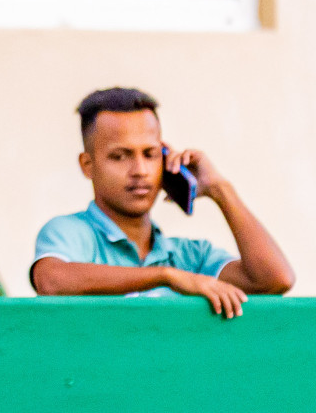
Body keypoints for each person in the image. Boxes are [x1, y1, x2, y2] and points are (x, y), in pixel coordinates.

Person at [31, 87, 293, 316]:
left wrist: (220, 189)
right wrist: (166, 277)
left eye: (150, 154)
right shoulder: (71, 233)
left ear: (166, 160)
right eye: (120, 156)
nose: (140, 170)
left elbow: (274, 280)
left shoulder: (189, 257)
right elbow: (52, 281)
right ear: (87, 165)